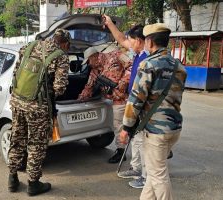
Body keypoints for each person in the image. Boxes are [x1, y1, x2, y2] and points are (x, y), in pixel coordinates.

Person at [120, 23, 187, 200]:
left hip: (156, 131)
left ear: (149, 42)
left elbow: (135, 100)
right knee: (154, 171)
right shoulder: (178, 66)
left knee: (158, 176)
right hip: (174, 128)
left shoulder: (148, 64)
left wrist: (126, 127)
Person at [7, 29, 71, 196]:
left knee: (17, 138)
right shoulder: (61, 56)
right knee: (36, 144)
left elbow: (16, 73)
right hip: (37, 108)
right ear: (64, 43)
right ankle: (33, 184)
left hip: (17, 101)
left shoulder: (28, 46)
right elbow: (60, 88)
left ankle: (12, 179)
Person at [103, 14, 149, 188]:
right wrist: (108, 23)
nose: (127, 44)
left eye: (131, 40)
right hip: (133, 101)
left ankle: (145, 176)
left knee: (143, 141)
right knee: (135, 138)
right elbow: (121, 39)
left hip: (142, 104)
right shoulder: (138, 52)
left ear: (138, 40)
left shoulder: (148, 57)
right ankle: (136, 168)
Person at [78, 46, 132, 164]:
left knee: (136, 127)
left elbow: (132, 65)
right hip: (116, 101)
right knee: (118, 126)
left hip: (129, 97)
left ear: (94, 56)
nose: (89, 64)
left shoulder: (115, 55)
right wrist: (81, 97)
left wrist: (124, 81)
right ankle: (121, 151)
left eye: (89, 61)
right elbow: (89, 86)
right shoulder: (94, 72)